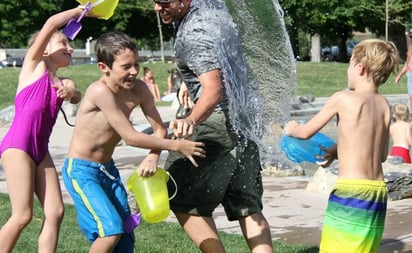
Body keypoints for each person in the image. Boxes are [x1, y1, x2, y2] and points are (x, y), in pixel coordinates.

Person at [61, 30, 205, 253]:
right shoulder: (99, 91)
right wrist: (176, 146)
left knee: (125, 235)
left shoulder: (139, 89)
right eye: (126, 67)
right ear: (104, 68)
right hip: (82, 171)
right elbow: (129, 136)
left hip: (107, 170)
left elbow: (159, 129)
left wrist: (153, 156)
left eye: (136, 64)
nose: (134, 71)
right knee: (110, 230)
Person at [154, 1, 273, 252]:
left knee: (179, 196)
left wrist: (190, 119)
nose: (157, 7)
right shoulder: (215, 14)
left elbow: (214, 89)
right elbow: (222, 66)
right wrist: (189, 81)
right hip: (245, 120)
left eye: (164, 2)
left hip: (216, 121)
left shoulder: (194, 32)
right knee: (247, 205)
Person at [284, 39, 400, 253]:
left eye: (349, 64)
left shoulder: (343, 99)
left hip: (351, 193)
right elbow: (381, 154)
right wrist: (339, 149)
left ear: (360, 67)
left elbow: (305, 131)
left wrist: (291, 129)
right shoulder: (384, 105)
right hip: (377, 194)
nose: (348, 71)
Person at [0, 7, 89, 252]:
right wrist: (80, 10)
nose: (70, 48)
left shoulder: (63, 81)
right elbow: (51, 23)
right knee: (22, 215)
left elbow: (75, 93)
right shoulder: (33, 66)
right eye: (64, 43)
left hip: (41, 151)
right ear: (46, 49)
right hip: (18, 147)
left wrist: (72, 93)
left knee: (56, 211)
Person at [395, 28, 412, 109]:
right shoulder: (410, 48)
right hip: (410, 74)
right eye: (410, 36)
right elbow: (407, 63)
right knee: (411, 97)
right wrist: (399, 76)